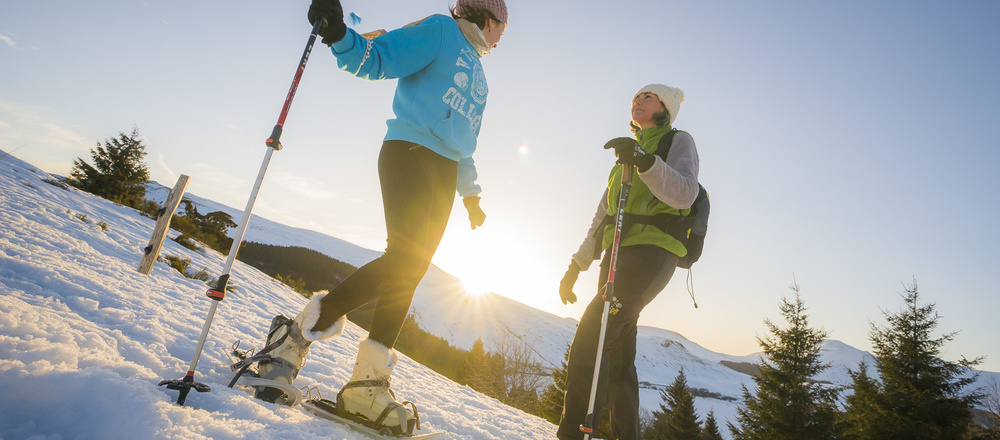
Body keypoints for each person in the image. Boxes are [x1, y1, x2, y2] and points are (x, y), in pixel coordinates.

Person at [251, 0, 509, 433]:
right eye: (503, 27)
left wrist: (472, 194)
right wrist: (339, 36)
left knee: (411, 271)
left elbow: (466, 142)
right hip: (410, 151)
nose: (503, 38)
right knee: (405, 260)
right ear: (489, 18)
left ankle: (366, 385)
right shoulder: (439, 32)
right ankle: (297, 335)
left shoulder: (481, 75)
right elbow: (381, 58)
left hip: (445, 171)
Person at [557, 84, 700, 440]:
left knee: (594, 333)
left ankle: (572, 434)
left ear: (664, 108)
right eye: (635, 97)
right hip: (616, 254)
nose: (637, 100)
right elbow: (603, 216)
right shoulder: (625, 156)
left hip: (652, 252)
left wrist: (646, 161)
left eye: (647, 97)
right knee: (619, 356)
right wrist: (575, 267)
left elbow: (685, 193)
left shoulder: (677, 142)